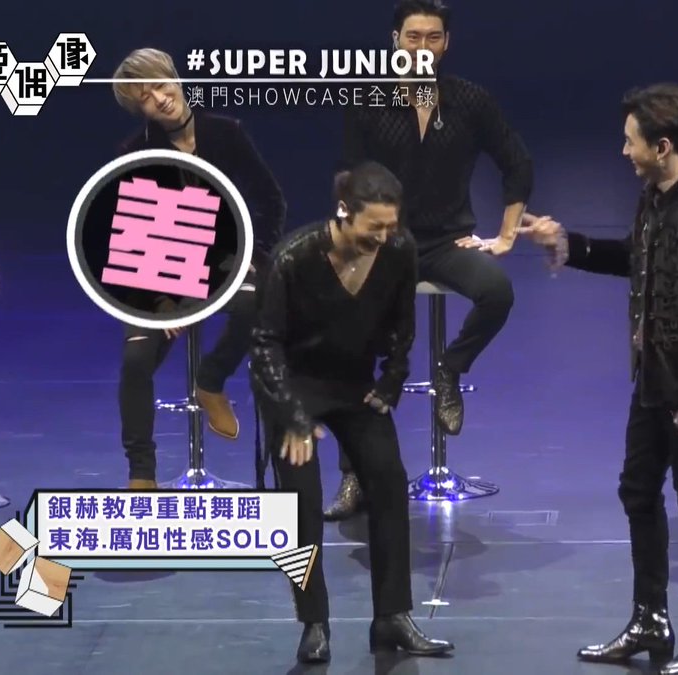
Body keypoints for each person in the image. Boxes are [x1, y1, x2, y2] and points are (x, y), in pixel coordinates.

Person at [517, 83, 678, 674]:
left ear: (661, 147)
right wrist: (569, 244)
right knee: (638, 492)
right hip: (652, 380)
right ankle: (650, 618)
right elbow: (636, 261)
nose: (623, 151)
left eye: (630, 142)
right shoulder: (654, 196)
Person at [325, 0, 534, 520]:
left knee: (497, 292)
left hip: (446, 243)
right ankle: (354, 476)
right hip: (383, 245)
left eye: (433, 38)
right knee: (351, 348)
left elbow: (517, 163)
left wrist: (505, 235)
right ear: (395, 41)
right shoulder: (367, 98)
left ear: (446, 43)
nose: (422, 47)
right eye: (413, 37)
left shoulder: (469, 101)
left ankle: (450, 369)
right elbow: (347, 176)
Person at [249, 161, 454, 664]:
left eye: (390, 226)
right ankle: (314, 623)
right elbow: (265, 344)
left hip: (356, 385)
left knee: (388, 482)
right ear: (344, 211)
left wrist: (392, 379)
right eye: (373, 227)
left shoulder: (399, 250)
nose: (382, 238)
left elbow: (403, 323)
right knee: (302, 505)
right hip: (295, 387)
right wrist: (293, 416)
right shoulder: (294, 256)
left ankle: (392, 617)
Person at [111, 48, 287, 488]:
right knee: (136, 359)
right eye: (145, 97)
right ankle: (141, 472)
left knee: (254, 305)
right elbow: (136, 235)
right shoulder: (135, 152)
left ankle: (210, 382)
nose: (159, 98)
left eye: (160, 85)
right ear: (139, 110)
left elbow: (270, 200)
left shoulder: (227, 133)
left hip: (226, 261)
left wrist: (254, 254)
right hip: (162, 268)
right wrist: (161, 294)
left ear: (176, 78)